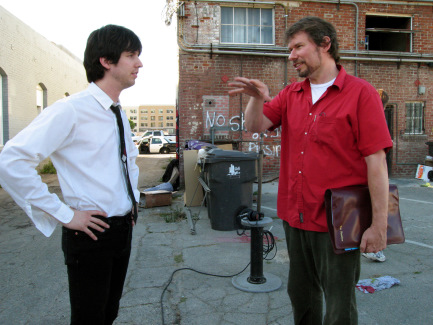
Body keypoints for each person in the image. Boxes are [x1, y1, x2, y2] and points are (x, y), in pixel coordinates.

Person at [229, 16, 392, 324]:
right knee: (301, 296)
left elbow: (376, 163)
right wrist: (254, 99)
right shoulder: (292, 94)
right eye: (290, 49)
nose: (291, 56)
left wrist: (379, 225)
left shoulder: (361, 94)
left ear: (325, 44)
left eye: (298, 47)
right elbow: (255, 126)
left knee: (339, 305)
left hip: (339, 221)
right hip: (296, 216)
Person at [0, 24, 143, 324]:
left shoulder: (118, 111)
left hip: (122, 229)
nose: (139, 63)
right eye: (131, 55)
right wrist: (63, 214)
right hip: (91, 234)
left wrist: (134, 202)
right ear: (106, 60)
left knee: (109, 313)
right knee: (88, 318)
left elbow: (126, 164)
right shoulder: (71, 110)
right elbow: (10, 161)